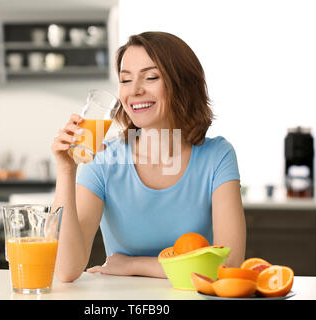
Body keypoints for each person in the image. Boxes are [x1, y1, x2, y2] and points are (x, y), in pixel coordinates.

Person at [52, 31, 246, 282]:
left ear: (182, 84)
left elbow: (228, 266)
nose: (134, 91)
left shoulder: (217, 156)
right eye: (125, 80)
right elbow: (65, 270)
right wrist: (66, 170)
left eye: (151, 77)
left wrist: (133, 264)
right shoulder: (102, 157)